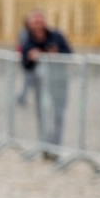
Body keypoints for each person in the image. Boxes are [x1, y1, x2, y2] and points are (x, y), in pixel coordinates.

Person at [16, 9, 72, 148]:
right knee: (42, 114)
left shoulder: (56, 36)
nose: (37, 25)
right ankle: (44, 145)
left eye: (39, 22)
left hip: (59, 81)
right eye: (34, 23)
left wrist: (57, 53)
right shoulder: (28, 39)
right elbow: (24, 63)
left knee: (58, 115)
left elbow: (69, 53)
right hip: (41, 84)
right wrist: (30, 56)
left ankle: (56, 146)